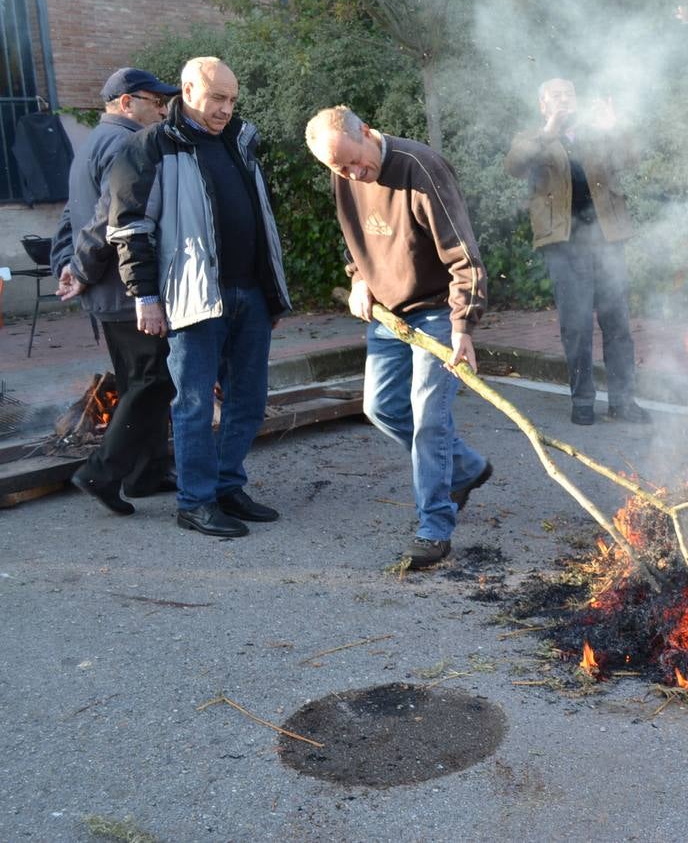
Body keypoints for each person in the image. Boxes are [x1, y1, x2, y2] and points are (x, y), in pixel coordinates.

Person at [106, 57, 292, 538]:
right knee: (191, 403)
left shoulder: (240, 140)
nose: (226, 109)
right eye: (216, 98)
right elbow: (129, 228)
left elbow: (260, 215)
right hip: (192, 297)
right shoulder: (148, 147)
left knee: (248, 400)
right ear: (188, 91)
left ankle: (228, 486)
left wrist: (271, 293)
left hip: (249, 294)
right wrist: (145, 295)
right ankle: (195, 501)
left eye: (231, 99)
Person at [304, 105, 493, 569]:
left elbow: (465, 257)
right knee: (381, 407)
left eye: (354, 161)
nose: (352, 173)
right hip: (389, 315)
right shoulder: (342, 173)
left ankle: (435, 526)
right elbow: (353, 237)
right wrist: (358, 279)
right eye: (339, 168)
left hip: (436, 313)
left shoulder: (421, 168)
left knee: (429, 418)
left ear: (367, 132)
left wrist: (462, 326)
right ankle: (465, 468)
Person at [51, 68, 178, 515]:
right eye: (154, 100)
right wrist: (81, 269)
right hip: (125, 289)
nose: (162, 109)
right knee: (155, 380)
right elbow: (111, 216)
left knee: (137, 381)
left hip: (107, 292)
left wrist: (66, 266)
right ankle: (100, 473)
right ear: (126, 103)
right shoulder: (127, 143)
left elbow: (70, 215)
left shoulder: (91, 142)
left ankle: (147, 474)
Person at [505, 78, 650, 426]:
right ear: (542, 104)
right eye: (555, 95)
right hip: (564, 244)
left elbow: (631, 159)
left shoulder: (595, 133)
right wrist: (551, 129)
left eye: (569, 94)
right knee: (577, 325)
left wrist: (615, 126)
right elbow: (515, 166)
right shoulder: (532, 137)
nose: (564, 99)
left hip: (607, 239)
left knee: (617, 322)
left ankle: (623, 401)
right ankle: (583, 401)